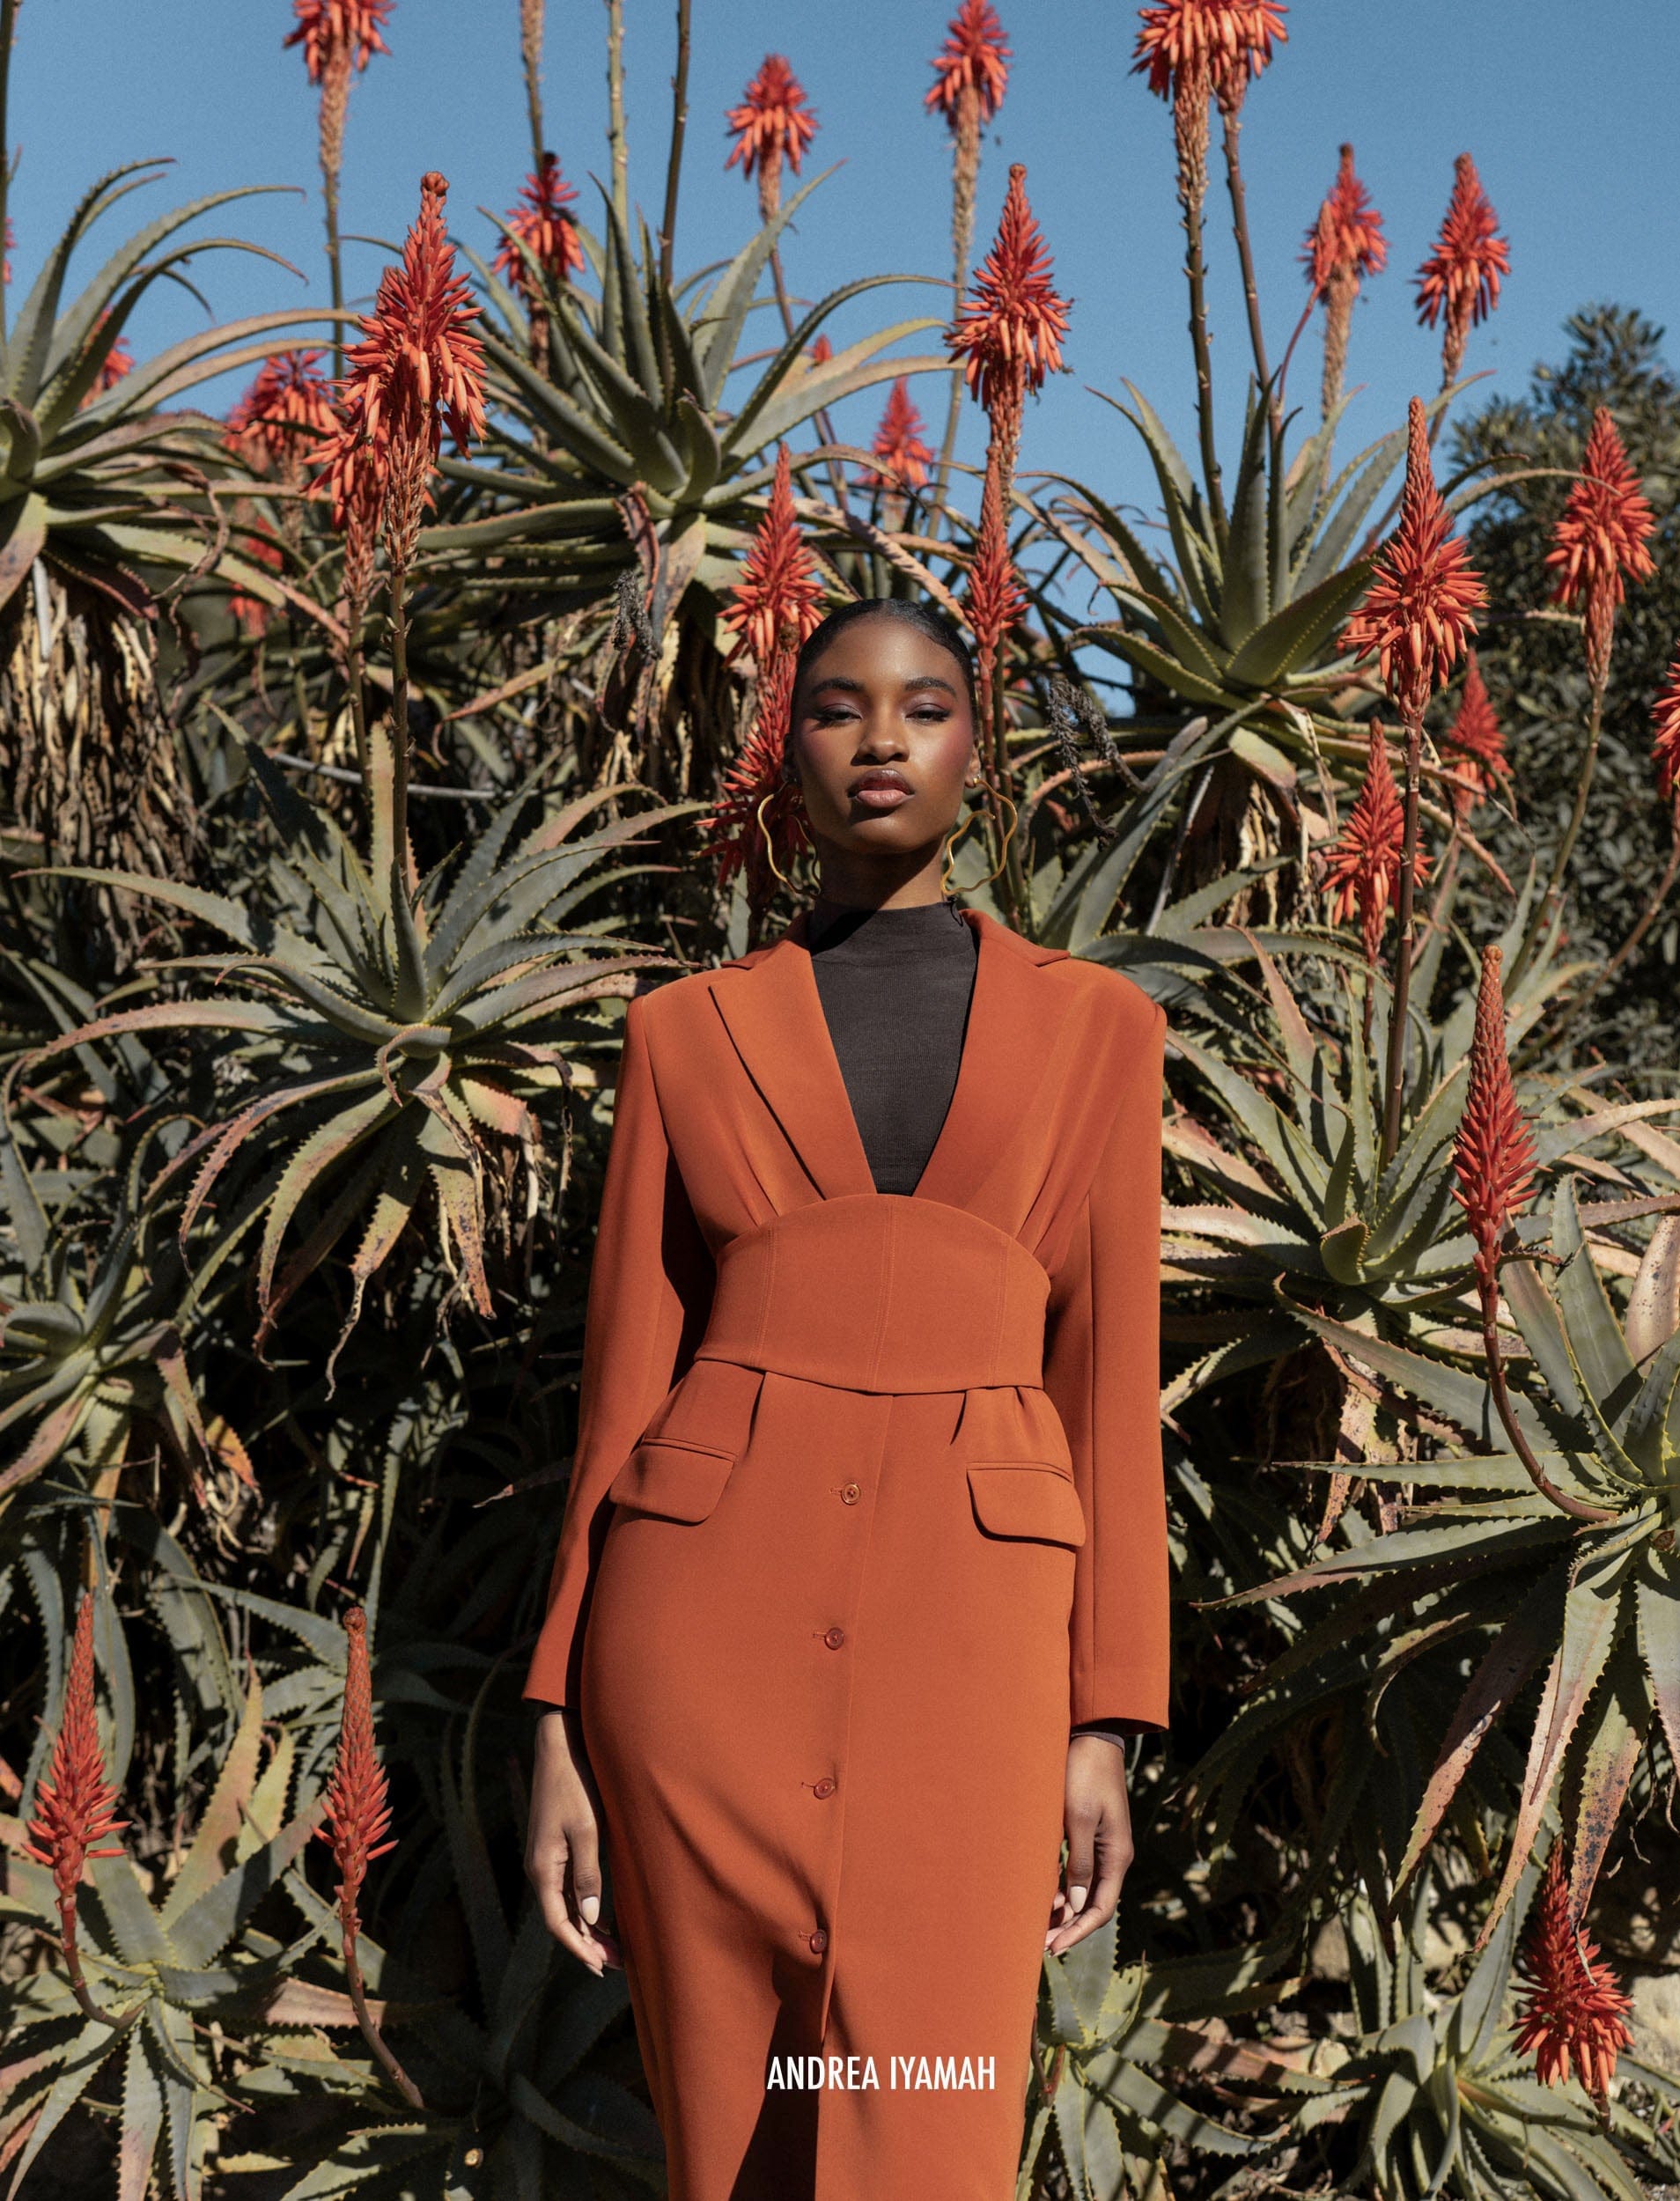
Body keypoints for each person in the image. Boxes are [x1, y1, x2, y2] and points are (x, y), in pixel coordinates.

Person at [521, 597, 1170, 2198]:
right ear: (784, 751)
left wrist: (1108, 1721)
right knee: (727, 2144)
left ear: (980, 750)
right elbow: (622, 1396)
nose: (882, 739)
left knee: (933, 2123)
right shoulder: (684, 1033)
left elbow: (1110, 1390)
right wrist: (552, 1723)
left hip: (979, 1644)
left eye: (926, 704)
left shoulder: (1100, 1033)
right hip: (695, 1640)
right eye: (835, 707)